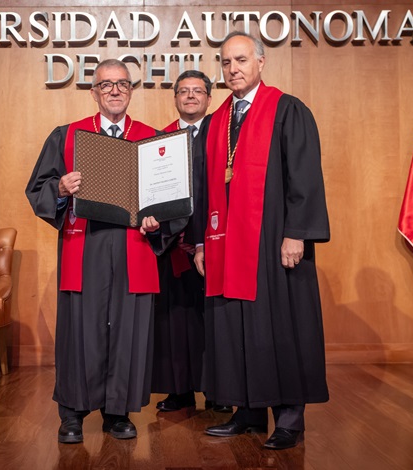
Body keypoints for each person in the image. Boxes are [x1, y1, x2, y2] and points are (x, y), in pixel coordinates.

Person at [191, 32, 330, 450]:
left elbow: (304, 177)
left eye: (241, 60)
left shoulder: (288, 110)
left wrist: (297, 234)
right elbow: (202, 187)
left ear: (260, 63)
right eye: (226, 62)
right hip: (226, 244)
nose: (233, 69)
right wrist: (200, 242)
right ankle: (246, 412)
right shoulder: (216, 121)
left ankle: (288, 418)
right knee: (234, 325)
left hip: (274, 243)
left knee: (282, 325)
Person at [26, 59, 174, 444]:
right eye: (106, 85)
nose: (114, 91)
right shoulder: (68, 135)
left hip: (132, 245)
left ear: (131, 91)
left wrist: (157, 218)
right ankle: (72, 414)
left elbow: (169, 197)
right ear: (93, 92)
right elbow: (37, 189)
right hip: (85, 242)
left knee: (127, 329)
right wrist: (60, 188)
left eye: (122, 84)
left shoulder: (151, 138)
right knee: (81, 328)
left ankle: (117, 412)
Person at [152, 71, 231, 414]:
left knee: (214, 320)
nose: (190, 97)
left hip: (214, 241)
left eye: (198, 91)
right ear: (175, 98)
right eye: (183, 91)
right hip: (171, 245)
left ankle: (218, 392)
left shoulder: (223, 137)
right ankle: (179, 389)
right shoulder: (160, 140)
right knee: (175, 320)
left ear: (209, 98)